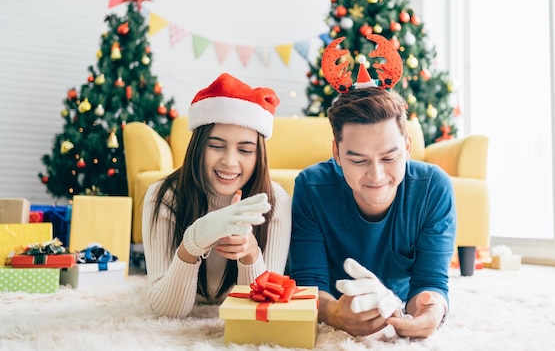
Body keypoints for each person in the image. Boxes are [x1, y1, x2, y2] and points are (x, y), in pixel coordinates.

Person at [289, 35, 456, 339]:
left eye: (390, 157)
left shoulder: (433, 188)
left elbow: (431, 282)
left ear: (407, 146)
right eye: (358, 160)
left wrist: (430, 312)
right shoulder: (311, 187)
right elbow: (308, 283)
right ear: (337, 154)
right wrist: (334, 313)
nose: (377, 175)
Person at [142, 73, 291, 318]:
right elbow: (167, 313)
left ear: (258, 156)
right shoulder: (163, 196)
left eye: (245, 149)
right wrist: (193, 241)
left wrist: (250, 253)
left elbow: (261, 313)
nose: (230, 162)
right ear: (198, 147)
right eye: (216, 145)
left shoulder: (274, 201)